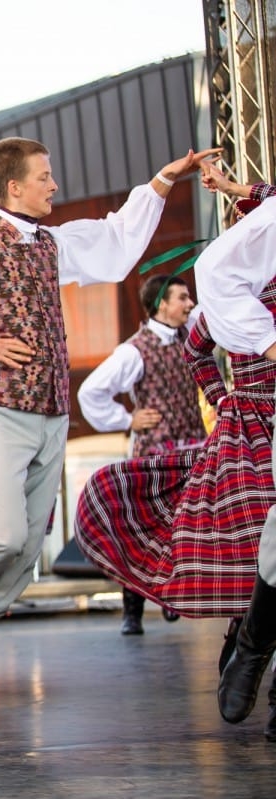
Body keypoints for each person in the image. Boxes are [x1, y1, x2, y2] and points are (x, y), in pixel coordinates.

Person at [0, 135, 217, 703]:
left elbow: (115, 241)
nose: (54, 185)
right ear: (13, 186)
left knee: (24, 553)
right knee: (4, 535)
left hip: (51, 411)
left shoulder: (52, 243)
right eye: (45, 176)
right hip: (2, 407)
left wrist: (165, 180)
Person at [192, 189, 276, 741]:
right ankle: (248, 645)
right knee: (261, 542)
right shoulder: (233, 298)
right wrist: (222, 397)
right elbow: (196, 348)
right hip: (250, 423)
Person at [76, 272, 203, 634]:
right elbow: (91, 392)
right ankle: (132, 610)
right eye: (181, 297)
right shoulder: (134, 350)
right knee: (144, 528)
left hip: (193, 445)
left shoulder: (190, 334)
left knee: (186, 526)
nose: (189, 303)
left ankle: (173, 596)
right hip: (154, 454)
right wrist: (128, 418)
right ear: (161, 304)